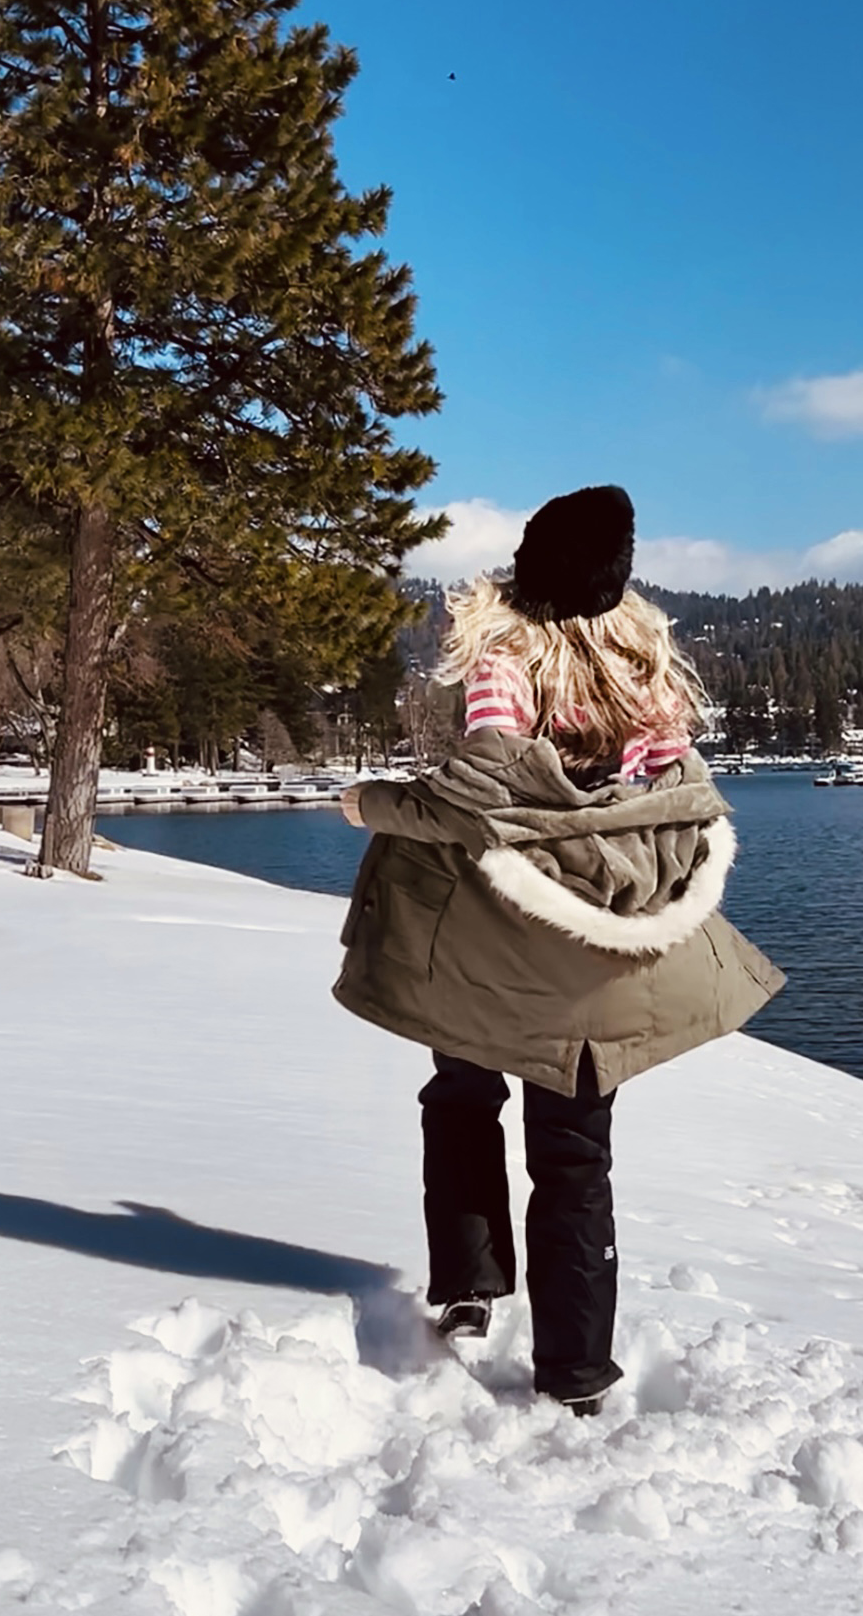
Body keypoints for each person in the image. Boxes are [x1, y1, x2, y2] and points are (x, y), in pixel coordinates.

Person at [334, 485, 783, 1414]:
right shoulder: (645, 670)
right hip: (596, 949)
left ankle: (467, 1288)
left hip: (495, 935)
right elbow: (671, 804)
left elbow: (481, 793)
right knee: (576, 1155)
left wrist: (370, 803)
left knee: (462, 1097)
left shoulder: (508, 658)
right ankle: (576, 1372)